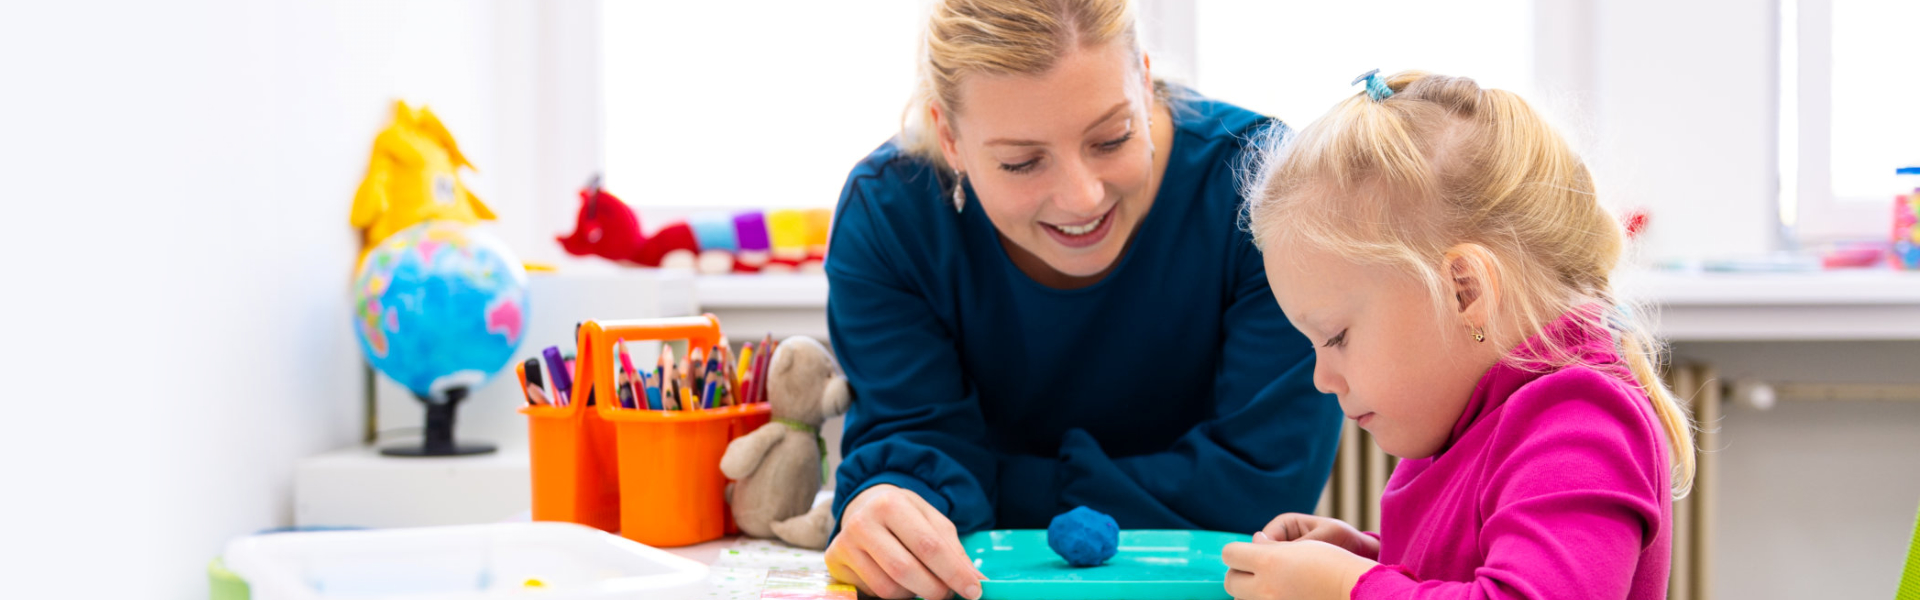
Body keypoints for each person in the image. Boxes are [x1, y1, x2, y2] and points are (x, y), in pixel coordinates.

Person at [821, 1, 1343, 598]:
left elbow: (1260, 488)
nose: (1081, 198)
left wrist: (988, 487)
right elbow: (912, 457)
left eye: (1111, 137)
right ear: (949, 137)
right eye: (1021, 162)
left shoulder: (1266, 188)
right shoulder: (889, 217)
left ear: (1145, 82)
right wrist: (890, 501)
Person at [1224, 70, 1697, 600]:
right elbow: (1479, 568)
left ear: (1465, 291)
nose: (1322, 379)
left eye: (1335, 337)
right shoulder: (1471, 414)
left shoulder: (1580, 425)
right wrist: (1369, 558)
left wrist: (1346, 587)